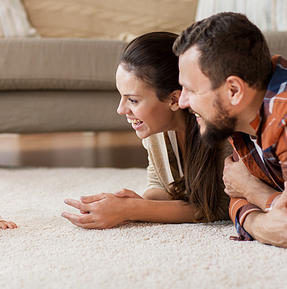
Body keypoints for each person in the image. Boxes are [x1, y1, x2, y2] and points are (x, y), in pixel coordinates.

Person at [173, 11, 287, 251]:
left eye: (191, 90)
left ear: (234, 90)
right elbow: (233, 191)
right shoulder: (241, 109)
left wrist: (252, 188)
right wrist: (258, 223)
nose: (182, 102)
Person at [62, 32, 232, 229]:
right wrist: (133, 203)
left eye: (133, 100)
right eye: (122, 96)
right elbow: (161, 187)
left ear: (175, 100)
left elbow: (222, 206)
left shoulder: (220, 129)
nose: (121, 109)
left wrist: (134, 209)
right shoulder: (156, 127)